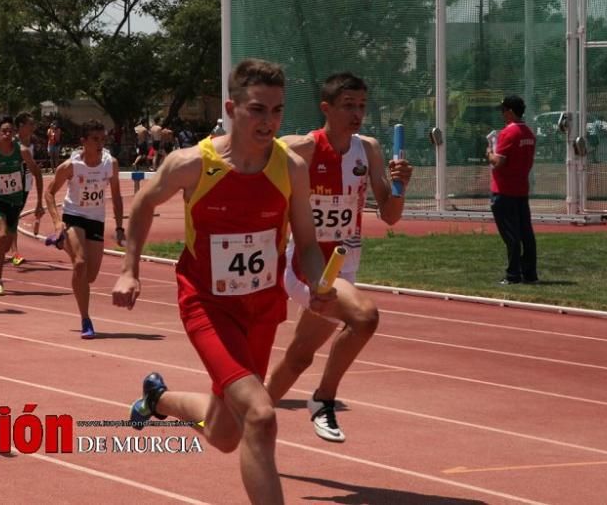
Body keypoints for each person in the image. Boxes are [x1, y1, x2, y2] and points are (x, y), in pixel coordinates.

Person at [112, 59, 332, 504]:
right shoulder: (192, 163)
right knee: (261, 414)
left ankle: (158, 400)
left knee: (224, 432)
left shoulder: (290, 168)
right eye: (257, 109)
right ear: (232, 108)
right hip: (207, 304)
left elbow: (307, 243)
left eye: (276, 110)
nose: (268, 121)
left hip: (263, 307)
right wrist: (129, 268)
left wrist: (320, 285)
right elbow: (143, 204)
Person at [265, 72, 412, 444]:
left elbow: (390, 215)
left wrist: (401, 186)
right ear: (326, 108)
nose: (357, 113)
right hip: (306, 264)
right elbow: (259, 160)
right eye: (348, 106)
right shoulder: (305, 147)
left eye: (362, 105)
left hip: (345, 266)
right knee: (364, 318)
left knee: (299, 357)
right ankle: (323, 399)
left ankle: (248, 416)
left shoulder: (370, 150)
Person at [44, 119, 125, 339]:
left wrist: (119, 227)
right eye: (95, 139)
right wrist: (56, 221)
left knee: (89, 277)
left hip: (96, 220)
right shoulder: (72, 166)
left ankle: (62, 242)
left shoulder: (110, 164)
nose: (100, 144)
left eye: (103, 139)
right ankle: (86, 320)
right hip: (74, 216)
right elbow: (49, 193)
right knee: (80, 263)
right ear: (84, 142)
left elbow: (116, 197)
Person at [0, 115, 45, 296]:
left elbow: (37, 173)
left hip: (16, 201)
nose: (7, 134)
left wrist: (39, 203)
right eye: (3, 131)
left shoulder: (22, 151)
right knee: (3, 235)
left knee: (4, 244)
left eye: (10, 131)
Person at [486, 95, 538, 285]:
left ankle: (513, 274)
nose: (502, 114)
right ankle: (530, 273)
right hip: (521, 189)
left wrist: (489, 153)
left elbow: (499, 162)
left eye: (503, 110)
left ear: (510, 111)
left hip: (504, 189)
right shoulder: (529, 134)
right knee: (526, 233)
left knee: (511, 235)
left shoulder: (508, 133)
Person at [10, 112, 37, 266]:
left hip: (26, 184)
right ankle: (15, 252)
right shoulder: (12, 143)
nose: (33, 127)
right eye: (30, 124)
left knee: (13, 218)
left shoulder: (31, 144)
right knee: (13, 219)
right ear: (20, 126)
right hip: (13, 186)